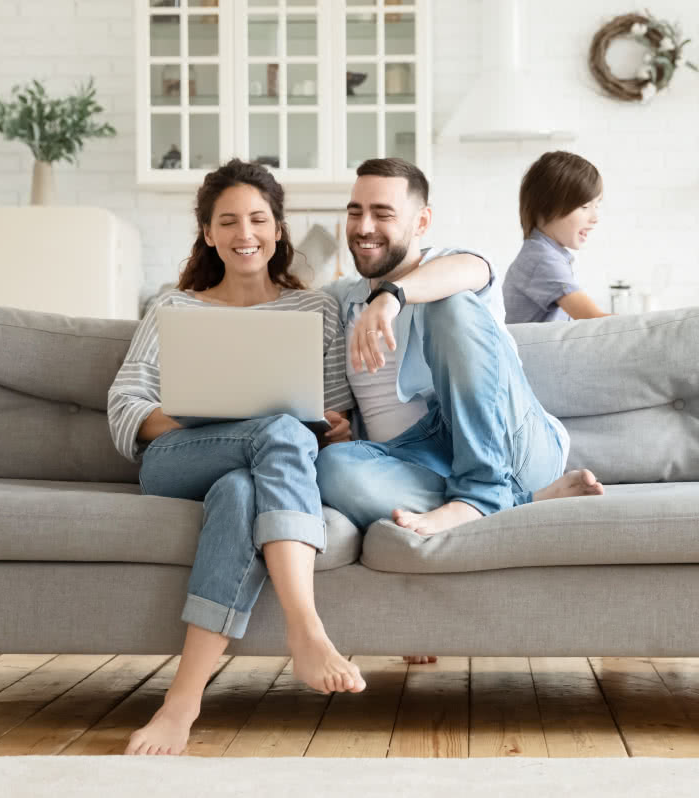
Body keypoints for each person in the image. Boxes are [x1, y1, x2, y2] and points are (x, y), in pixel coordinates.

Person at [107, 159, 366, 757]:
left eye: (257, 219)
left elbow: (332, 410)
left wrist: (338, 424)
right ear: (208, 233)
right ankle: (306, 629)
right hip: (178, 458)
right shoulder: (175, 310)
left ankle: (182, 703)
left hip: (257, 470)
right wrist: (202, 414)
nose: (243, 232)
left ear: (278, 230)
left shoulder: (317, 310)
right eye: (228, 221)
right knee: (274, 430)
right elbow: (125, 401)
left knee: (242, 492)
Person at [316, 157, 605, 542]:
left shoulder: (453, 266)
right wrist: (337, 430)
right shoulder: (340, 300)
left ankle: (481, 491)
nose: (364, 227)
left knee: (448, 301)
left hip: (511, 443)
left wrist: (391, 296)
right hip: (420, 460)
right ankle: (518, 501)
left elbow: (469, 271)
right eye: (356, 213)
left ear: (421, 222)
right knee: (331, 467)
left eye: (382, 214)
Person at [502, 151, 610, 323]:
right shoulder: (542, 260)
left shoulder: (545, 255)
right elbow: (596, 321)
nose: (595, 218)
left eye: (597, 206)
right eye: (585, 206)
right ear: (546, 207)